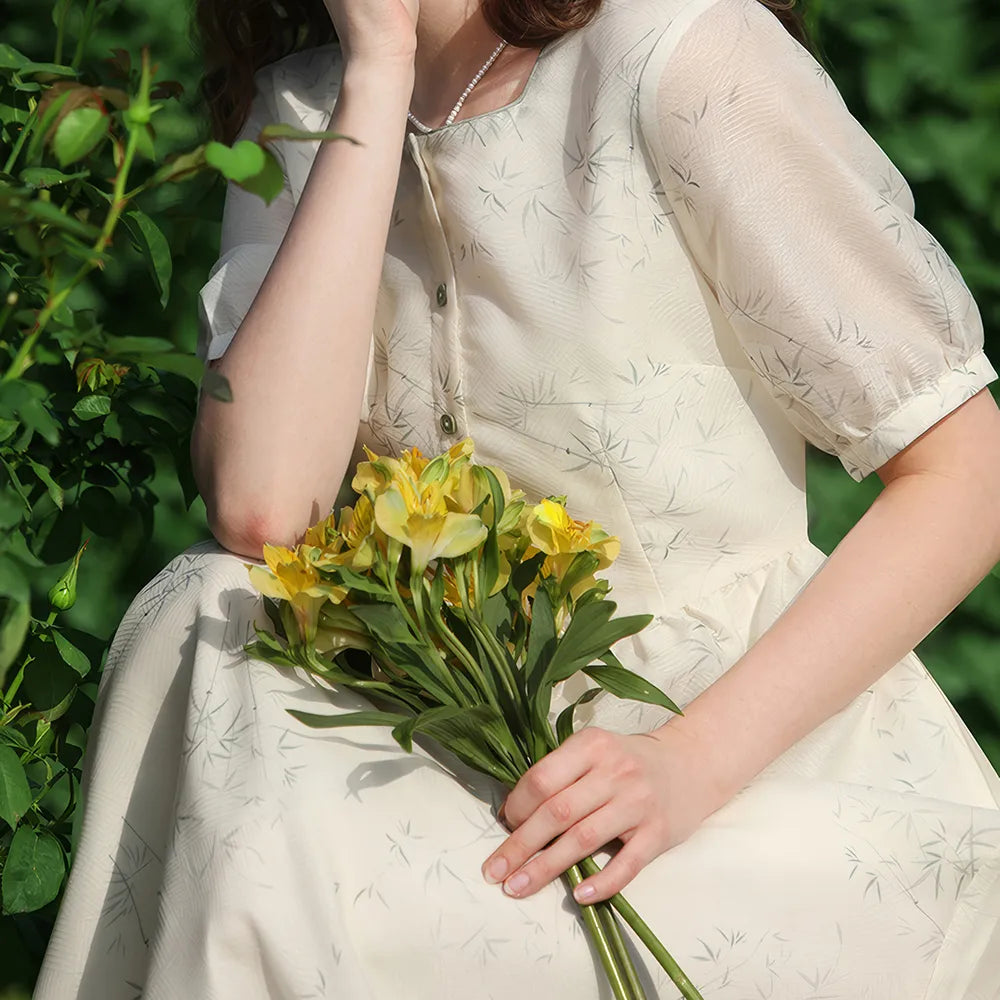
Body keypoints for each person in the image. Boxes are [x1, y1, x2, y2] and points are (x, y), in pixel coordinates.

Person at [32, 0, 1000, 996]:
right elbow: (267, 510)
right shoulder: (298, 106)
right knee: (213, 609)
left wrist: (683, 764)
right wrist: (377, 71)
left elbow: (963, 477)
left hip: (738, 757)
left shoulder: (682, 51)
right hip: (421, 747)